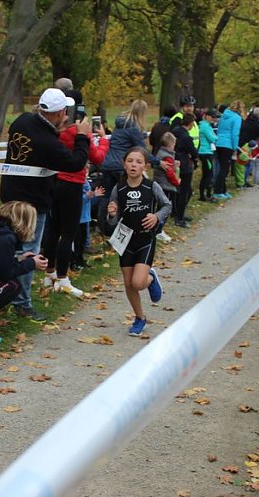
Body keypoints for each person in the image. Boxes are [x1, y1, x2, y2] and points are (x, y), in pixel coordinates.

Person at [0, 87, 91, 322]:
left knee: (11, 248)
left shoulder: (22, 121)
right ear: (60, 112)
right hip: (31, 205)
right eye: (64, 113)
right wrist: (81, 136)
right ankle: (22, 302)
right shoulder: (47, 141)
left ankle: (3, 294)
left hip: (9, 195)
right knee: (29, 251)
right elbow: (76, 162)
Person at [41, 111, 109, 298]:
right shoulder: (78, 133)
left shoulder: (55, 131)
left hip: (54, 181)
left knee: (53, 230)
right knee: (69, 233)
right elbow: (98, 158)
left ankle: (49, 273)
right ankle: (63, 278)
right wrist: (102, 139)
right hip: (72, 185)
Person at [106, 147, 172, 336]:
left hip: (145, 239)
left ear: (145, 165)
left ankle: (149, 278)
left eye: (138, 161)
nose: (134, 165)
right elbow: (112, 220)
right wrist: (111, 214)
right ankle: (140, 318)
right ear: (124, 164)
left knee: (137, 283)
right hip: (125, 240)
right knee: (128, 283)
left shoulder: (151, 186)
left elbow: (167, 205)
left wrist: (157, 217)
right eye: (130, 161)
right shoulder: (118, 189)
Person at [100, 100, 150, 198]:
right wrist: (158, 162)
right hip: (120, 165)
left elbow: (123, 138)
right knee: (125, 196)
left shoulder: (121, 124)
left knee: (106, 197)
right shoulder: (134, 127)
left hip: (108, 163)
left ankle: (103, 213)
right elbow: (142, 149)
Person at [171, 113, 198, 227]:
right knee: (185, 191)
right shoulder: (186, 137)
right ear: (191, 123)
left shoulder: (174, 131)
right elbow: (194, 152)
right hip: (185, 165)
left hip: (174, 162)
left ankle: (175, 211)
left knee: (177, 189)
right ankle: (180, 217)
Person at [213, 100, 244, 200]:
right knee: (224, 169)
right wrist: (235, 147)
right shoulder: (237, 118)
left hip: (219, 142)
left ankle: (223, 190)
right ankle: (218, 191)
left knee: (222, 167)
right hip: (228, 143)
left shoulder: (224, 116)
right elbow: (235, 133)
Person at [197, 108, 219, 202]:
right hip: (205, 152)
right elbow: (212, 138)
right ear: (207, 116)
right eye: (213, 117)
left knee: (208, 174)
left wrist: (214, 137)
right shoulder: (205, 126)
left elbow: (214, 137)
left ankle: (206, 194)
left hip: (208, 151)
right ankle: (206, 195)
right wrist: (214, 137)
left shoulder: (207, 126)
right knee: (208, 174)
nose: (214, 119)